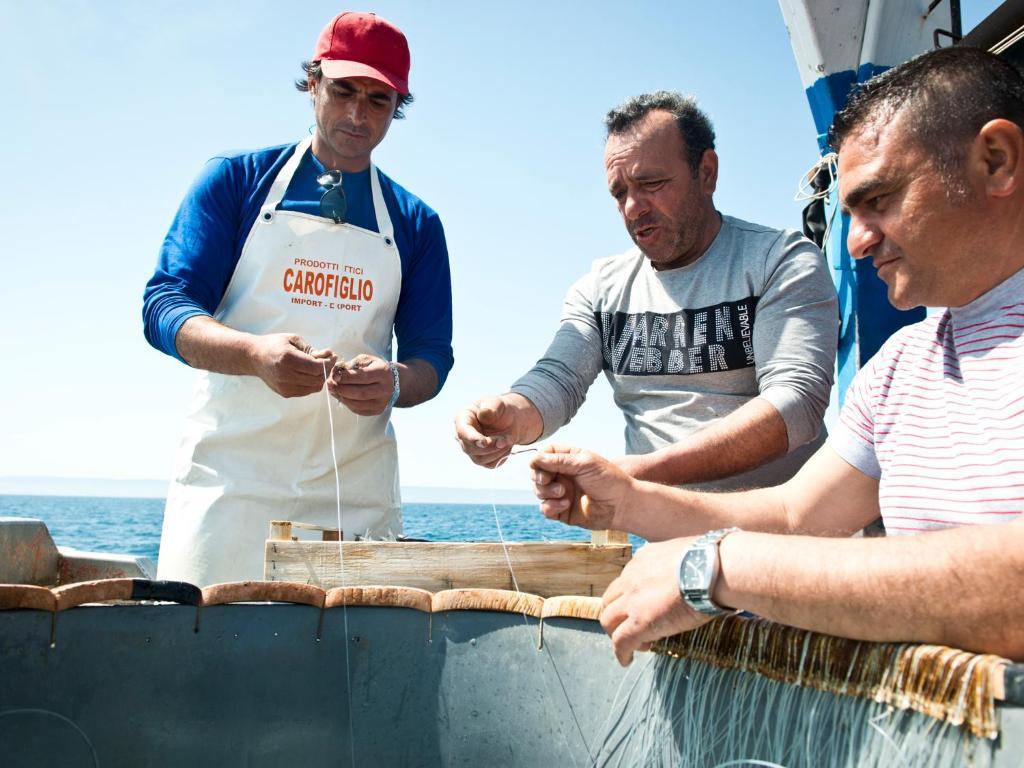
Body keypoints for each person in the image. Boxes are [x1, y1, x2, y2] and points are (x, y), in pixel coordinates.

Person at [529, 46, 1024, 665]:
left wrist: (717, 569)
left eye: (881, 200)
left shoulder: (781, 260)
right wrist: (623, 498)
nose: (861, 241)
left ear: (996, 162)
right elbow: (795, 514)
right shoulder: (899, 366)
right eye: (851, 213)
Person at [143, 11, 453, 586]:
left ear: (397, 106)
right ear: (313, 83)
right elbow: (165, 307)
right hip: (230, 490)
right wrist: (255, 355)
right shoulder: (235, 181)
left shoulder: (416, 223)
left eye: (379, 101)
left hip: (353, 500)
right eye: (343, 91)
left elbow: (432, 356)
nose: (358, 115)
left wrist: (392, 382)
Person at [455, 92, 838, 492]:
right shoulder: (600, 289)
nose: (633, 207)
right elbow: (560, 379)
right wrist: (509, 416)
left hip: (790, 538)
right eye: (619, 193)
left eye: (651, 183)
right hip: (668, 542)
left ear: (707, 172)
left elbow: (797, 403)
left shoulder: (779, 260)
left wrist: (637, 475)